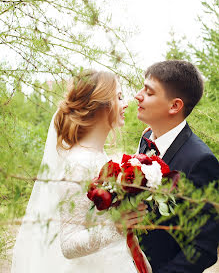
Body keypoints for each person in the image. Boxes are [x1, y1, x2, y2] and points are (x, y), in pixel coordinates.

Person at [11, 69, 149, 273]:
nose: (126, 103)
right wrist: (116, 226)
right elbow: (68, 244)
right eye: (119, 97)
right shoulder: (77, 164)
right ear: (99, 105)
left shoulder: (100, 157)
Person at [133, 60, 219, 273]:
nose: (137, 95)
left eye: (149, 92)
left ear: (174, 106)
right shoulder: (146, 139)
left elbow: (203, 247)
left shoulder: (200, 162)